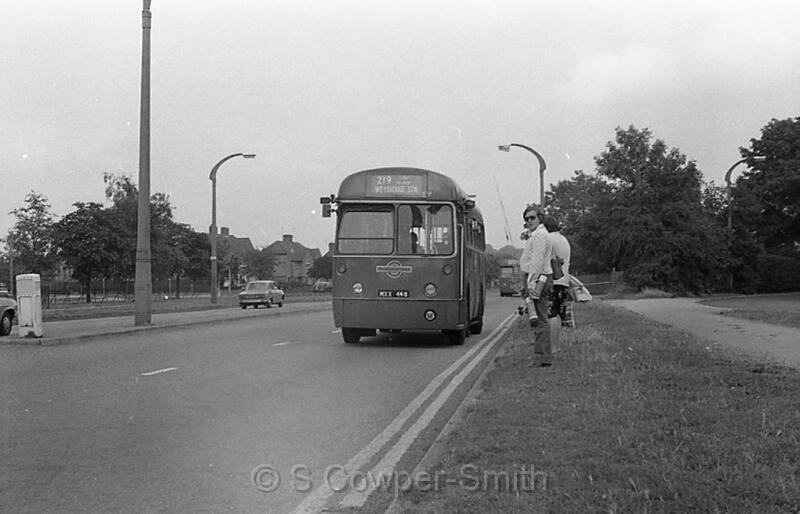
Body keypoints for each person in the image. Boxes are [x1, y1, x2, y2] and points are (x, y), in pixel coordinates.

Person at [519, 204, 553, 366]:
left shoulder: (540, 235)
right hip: (538, 278)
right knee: (537, 317)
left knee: (539, 319)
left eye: (532, 217)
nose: (529, 221)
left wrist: (532, 284)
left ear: (540, 218)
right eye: (526, 219)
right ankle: (541, 356)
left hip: (538, 280)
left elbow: (537, 262)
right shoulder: (537, 235)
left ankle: (542, 357)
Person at [543, 216, 571, 354]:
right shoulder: (563, 240)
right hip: (564, 281)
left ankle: (552, 348)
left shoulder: (549, 239)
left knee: (551, 315)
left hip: (552, 281)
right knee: (559, 314)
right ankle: (556, 346)